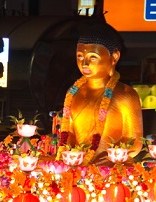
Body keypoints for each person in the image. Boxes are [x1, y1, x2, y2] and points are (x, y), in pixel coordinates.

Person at [59, 21, 143, 164]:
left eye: (93, 57)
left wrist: (108, 159)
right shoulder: (73, 92)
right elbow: (69, 134)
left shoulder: (126, 95)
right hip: (78, 168)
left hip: (111, 170)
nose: (84, 63)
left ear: (114, 57)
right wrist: (69, 156)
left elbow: (135, 142)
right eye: (80, 56)